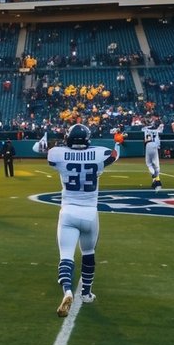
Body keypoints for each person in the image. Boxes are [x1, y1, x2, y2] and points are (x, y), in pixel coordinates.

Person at [47, 123, 117, 317]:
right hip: (89, 213)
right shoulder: (100, 153)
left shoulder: (57, 153)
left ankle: (68, 291)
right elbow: (113, 155)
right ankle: (86, 293)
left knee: (66, 256)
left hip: (68, 211)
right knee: (88, 252)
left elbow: (49, 155)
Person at [143, 116, 164, 189]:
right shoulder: (157, 130)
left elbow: (145, 126)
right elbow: (161, 128)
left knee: (149, 164)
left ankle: (154, 178)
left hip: (148, 145)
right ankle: (157, 180)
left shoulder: (145, 129)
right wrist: (160, 122)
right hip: (154, 145)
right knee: (156, 165)